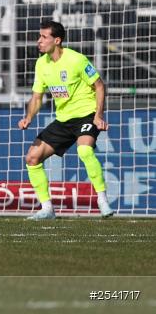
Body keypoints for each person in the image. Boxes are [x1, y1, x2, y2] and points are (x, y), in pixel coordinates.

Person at [20, 21, 113, 220]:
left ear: (57, 40)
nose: (39, 41)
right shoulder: (41, 64)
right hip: (63, 120)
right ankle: (47, 209)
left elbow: (99, 86)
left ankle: (102, 199)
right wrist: (28, 117)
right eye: (40, 36)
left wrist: (98, 115)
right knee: (32, 158)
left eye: (44, 37)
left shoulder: (76, 60)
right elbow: (37, 97)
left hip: (86, 114)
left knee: (85, 150)